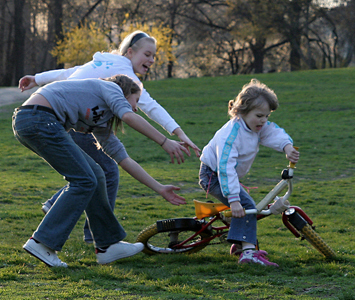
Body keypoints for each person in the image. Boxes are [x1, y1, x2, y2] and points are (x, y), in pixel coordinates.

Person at [18, 30, 200, 243]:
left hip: (68, 121)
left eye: (154, 56)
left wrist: (38, 78)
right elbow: (149, 107)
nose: (151, 60)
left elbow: (71, 72)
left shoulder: (103, 64)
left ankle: (90, 229)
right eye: (147, 54)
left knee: (101, 171)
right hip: (57, 120)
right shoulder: (122, 80)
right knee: (102, 173)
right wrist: (174, 136)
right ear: (130, 52)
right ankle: (96, 235)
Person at [12, 74, 186, 267]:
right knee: (85, 180)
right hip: (39, 118)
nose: (136, 107)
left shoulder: (100, 122)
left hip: (36, 121)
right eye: (135, 100)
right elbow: (129, 116)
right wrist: (164, 141)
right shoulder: (110, 88)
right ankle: (42, 243)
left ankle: (107, 246)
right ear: (125, 92)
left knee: (96, 175)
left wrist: (160, 188)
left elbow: (124, 160)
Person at [198, 79, 299, 267]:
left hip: (226, 176)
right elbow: (225, 167)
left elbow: (273, 133)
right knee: (246, 205)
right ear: (242, 111)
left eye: (267, 116)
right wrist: (234, 199)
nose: (263, 120)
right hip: (213, 175)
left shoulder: (255, 126)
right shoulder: (231, 134)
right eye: (259, 115)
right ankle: (248, 253)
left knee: (246, 206)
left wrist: (287, 147)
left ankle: (239, 245)